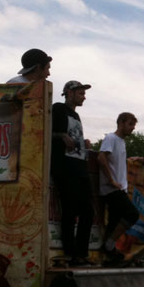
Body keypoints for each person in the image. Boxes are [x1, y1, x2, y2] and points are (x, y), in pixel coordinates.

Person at [51, 80, 95, 266]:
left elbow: (73, 137)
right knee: (69, 210)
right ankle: (70, 253)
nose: (83, 97)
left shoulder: (76, 115)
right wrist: (61, 135)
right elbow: (45, 131)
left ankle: (82, 253)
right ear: (69, 92)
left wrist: (83, 143)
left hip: (80, 167)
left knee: (88, 211)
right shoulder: (58, 109)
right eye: (80, 93)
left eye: (84, 94)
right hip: (65, 167)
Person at [97, 112, 141, 264]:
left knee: (114, 222)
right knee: (132, 214)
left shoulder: (122, 142)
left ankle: (108, 254)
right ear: (121, 123)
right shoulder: (111, 138)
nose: (133, 128)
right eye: (130, 124)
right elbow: (101, 157)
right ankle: (109, 245)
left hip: (119, 188)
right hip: (112, 188)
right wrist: (111, 180)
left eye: (134, 125)